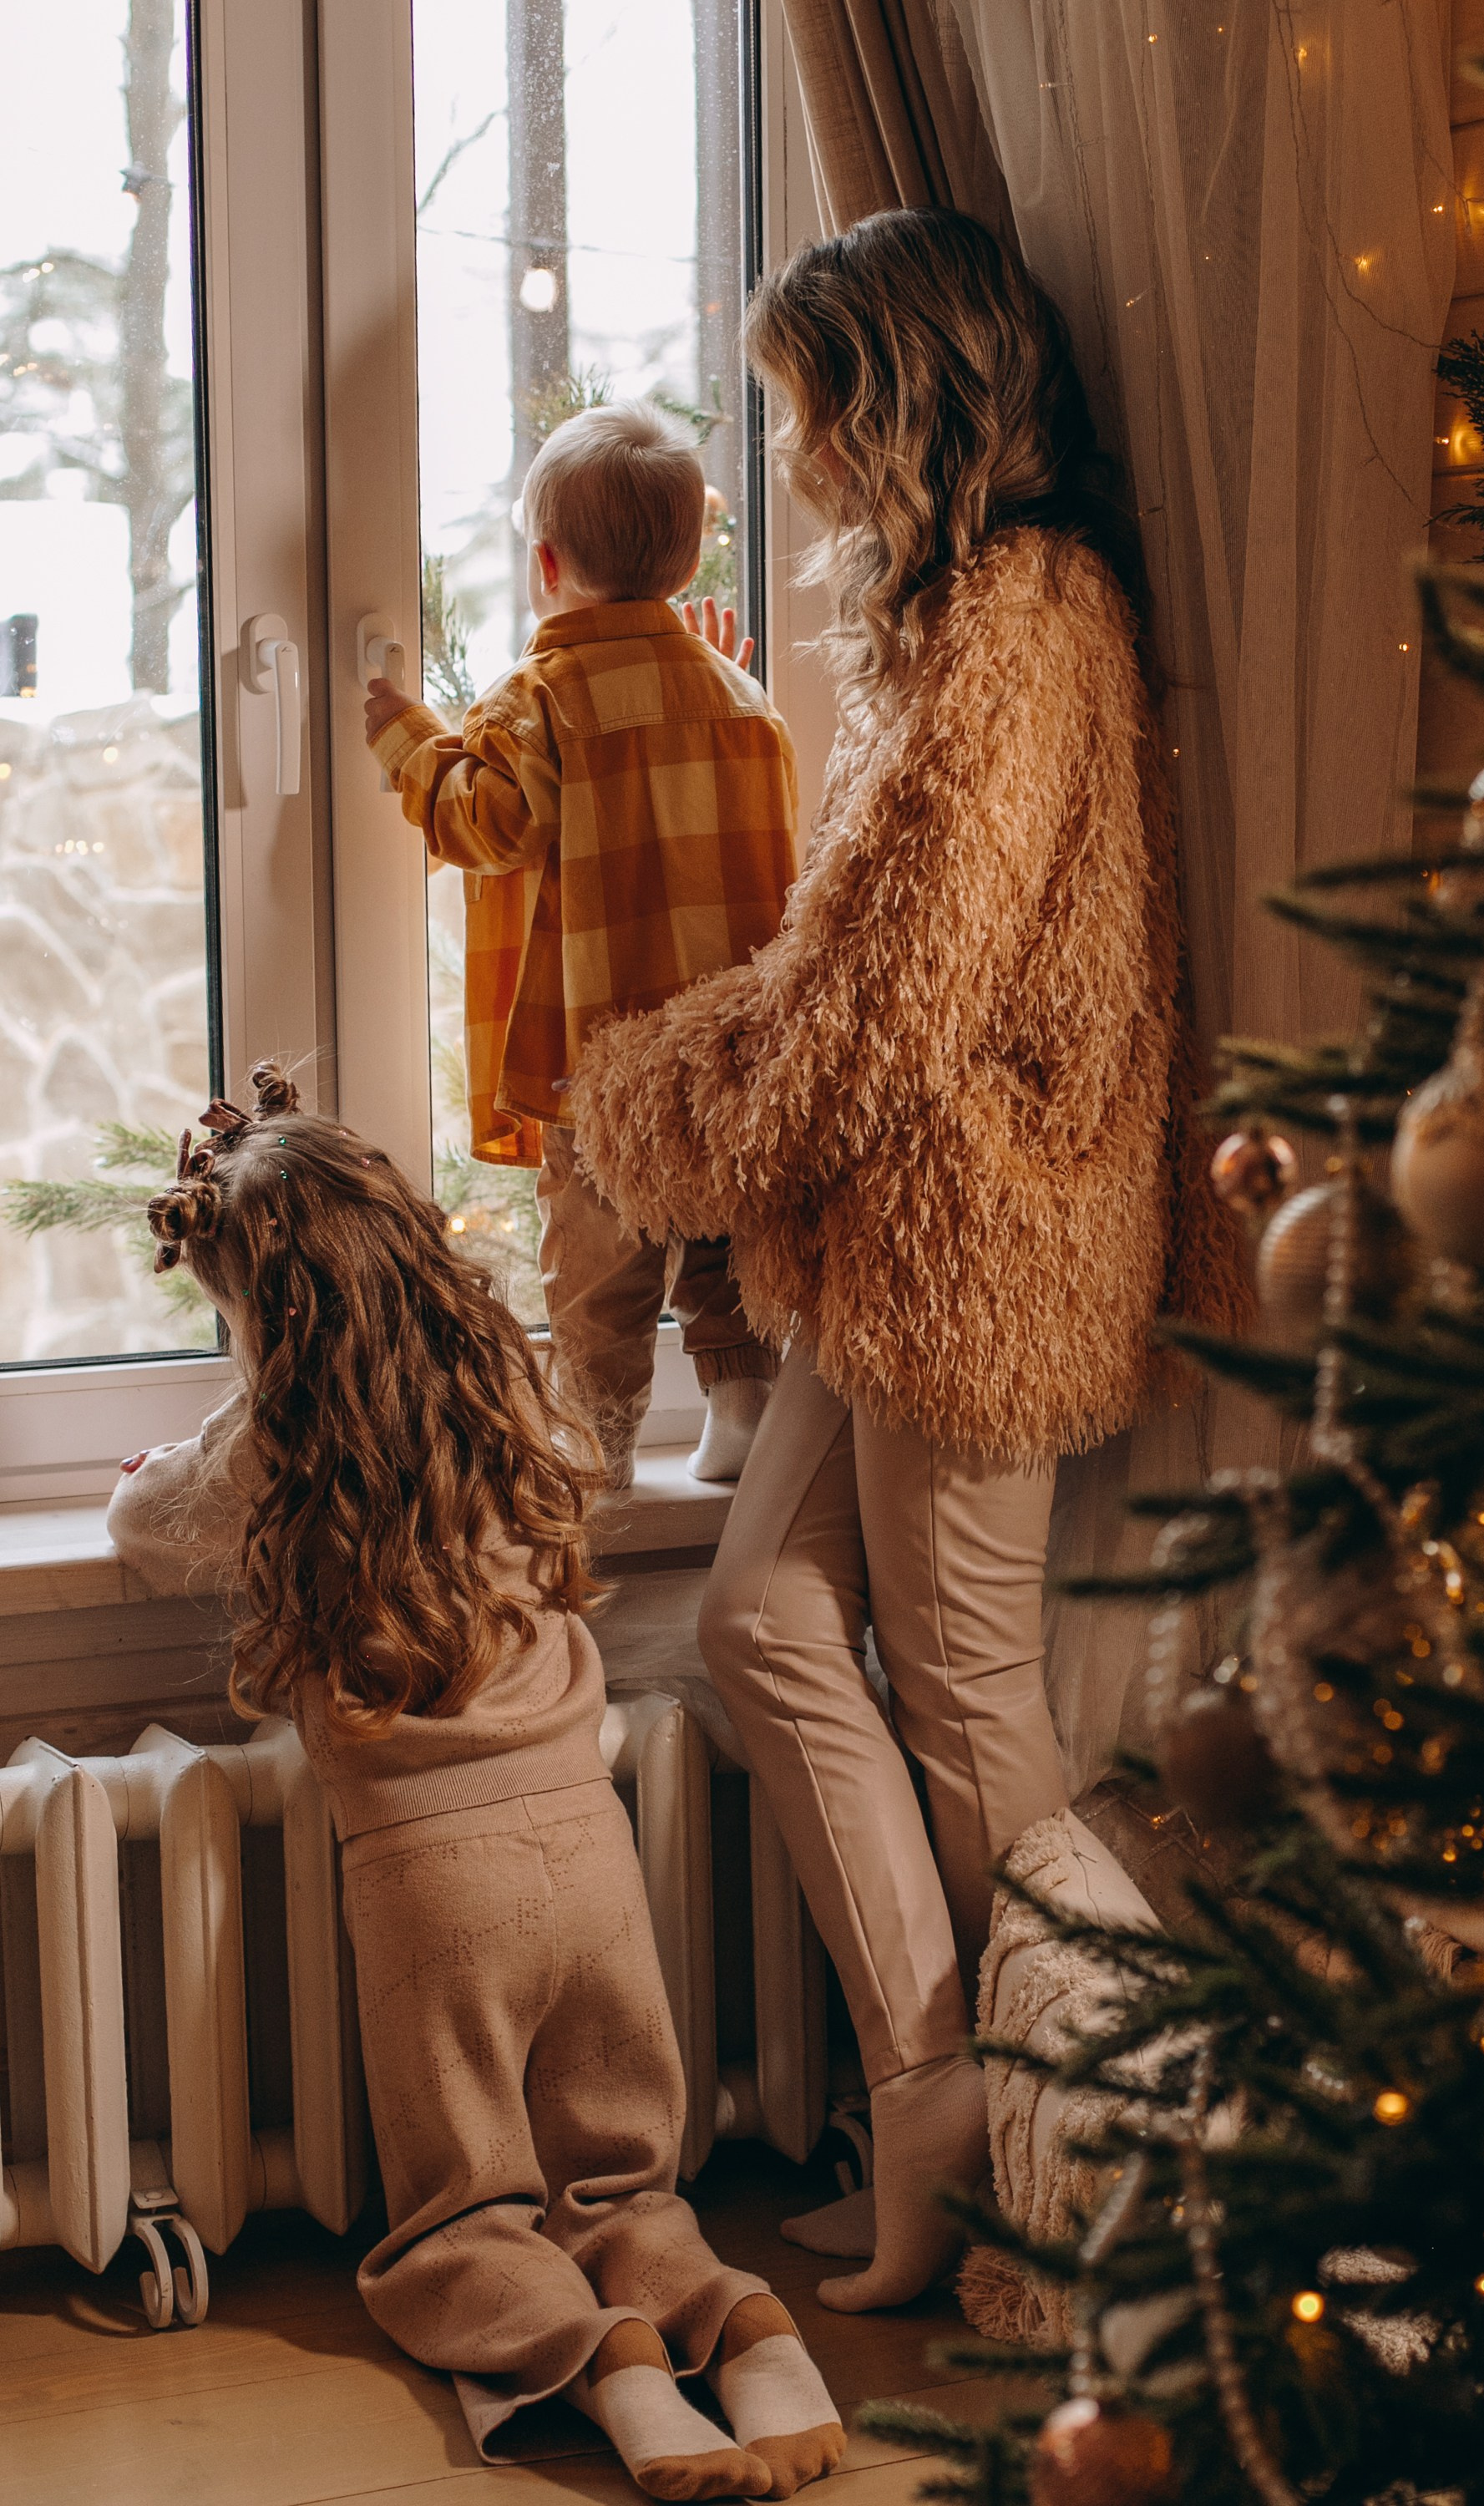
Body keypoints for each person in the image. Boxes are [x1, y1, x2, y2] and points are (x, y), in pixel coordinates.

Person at [570, 210, 1246, 2314]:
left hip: (984, 1238)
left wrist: (658, 1105)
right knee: (763, 1621)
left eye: (806, 410)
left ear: (901, 403)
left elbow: (891, 991)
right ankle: (939, 2093)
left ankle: (1079, 2160)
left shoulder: (1026, 620)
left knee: (968, 1702)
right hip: (889, 1241)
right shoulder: (950, 619)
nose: (789, 458)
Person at [105, 1065, 843, 2498]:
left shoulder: (277, 1444)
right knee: (623, 2181)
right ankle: (750, 2339)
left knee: (469, 2214)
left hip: (433, 1883)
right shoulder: (507, 1393)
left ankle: (618, 2379)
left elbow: (142, 1517)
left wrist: (222, 1399)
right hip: (588, 1848)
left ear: (260, 1310)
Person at [363, 400, 798, 1489]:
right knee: (722, 1238)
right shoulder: (744, 697)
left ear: (547, 564)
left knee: (599, 1269)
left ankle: (599, 1446)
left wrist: (410, 742)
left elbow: (487, 825)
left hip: (598, 1062)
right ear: (688, 561)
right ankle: (743, 1406)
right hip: (724, 1056)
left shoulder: (540, 698)